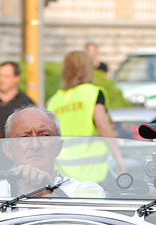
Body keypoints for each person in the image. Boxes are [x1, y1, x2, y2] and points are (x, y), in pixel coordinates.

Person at [0, 107, 104, 225]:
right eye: (25, 137)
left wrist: (46, 194)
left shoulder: (85, 192)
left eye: (45, 136)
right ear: (8, 149)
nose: (35, 145)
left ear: (58, 147)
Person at [46, 50, 122, 182]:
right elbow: (101, 123)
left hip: (62, 170)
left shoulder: (54, 100)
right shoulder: (91, 93)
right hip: (91, 169)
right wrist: (118, 157)